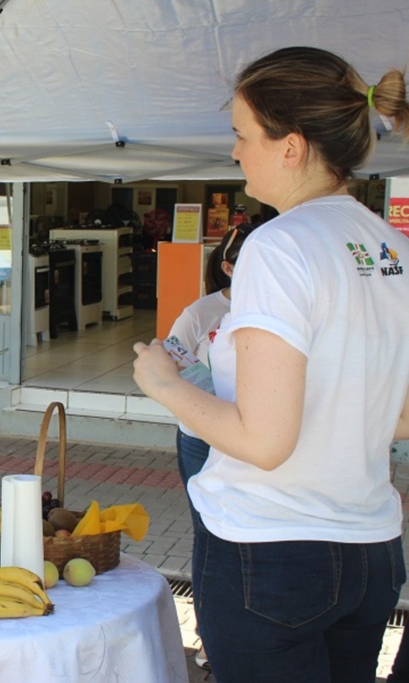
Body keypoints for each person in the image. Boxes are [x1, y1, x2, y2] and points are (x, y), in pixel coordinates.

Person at [133, 46, 409, 682]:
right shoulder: (391, 246)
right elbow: (399, 415)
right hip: (370, 549)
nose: (234, 152)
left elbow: (264, 442)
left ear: (291, 147)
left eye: (242, 134)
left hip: (271, 554)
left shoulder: (279, 245)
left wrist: (164, 383)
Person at [166, 222, 252, 671]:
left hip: (250, 439)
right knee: (211, 536)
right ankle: (209, 636)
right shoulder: (203, 311)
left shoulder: (281, 307)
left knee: (246, 537)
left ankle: (243, 631)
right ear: (229, 267)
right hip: (202, 439)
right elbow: (169, 358)